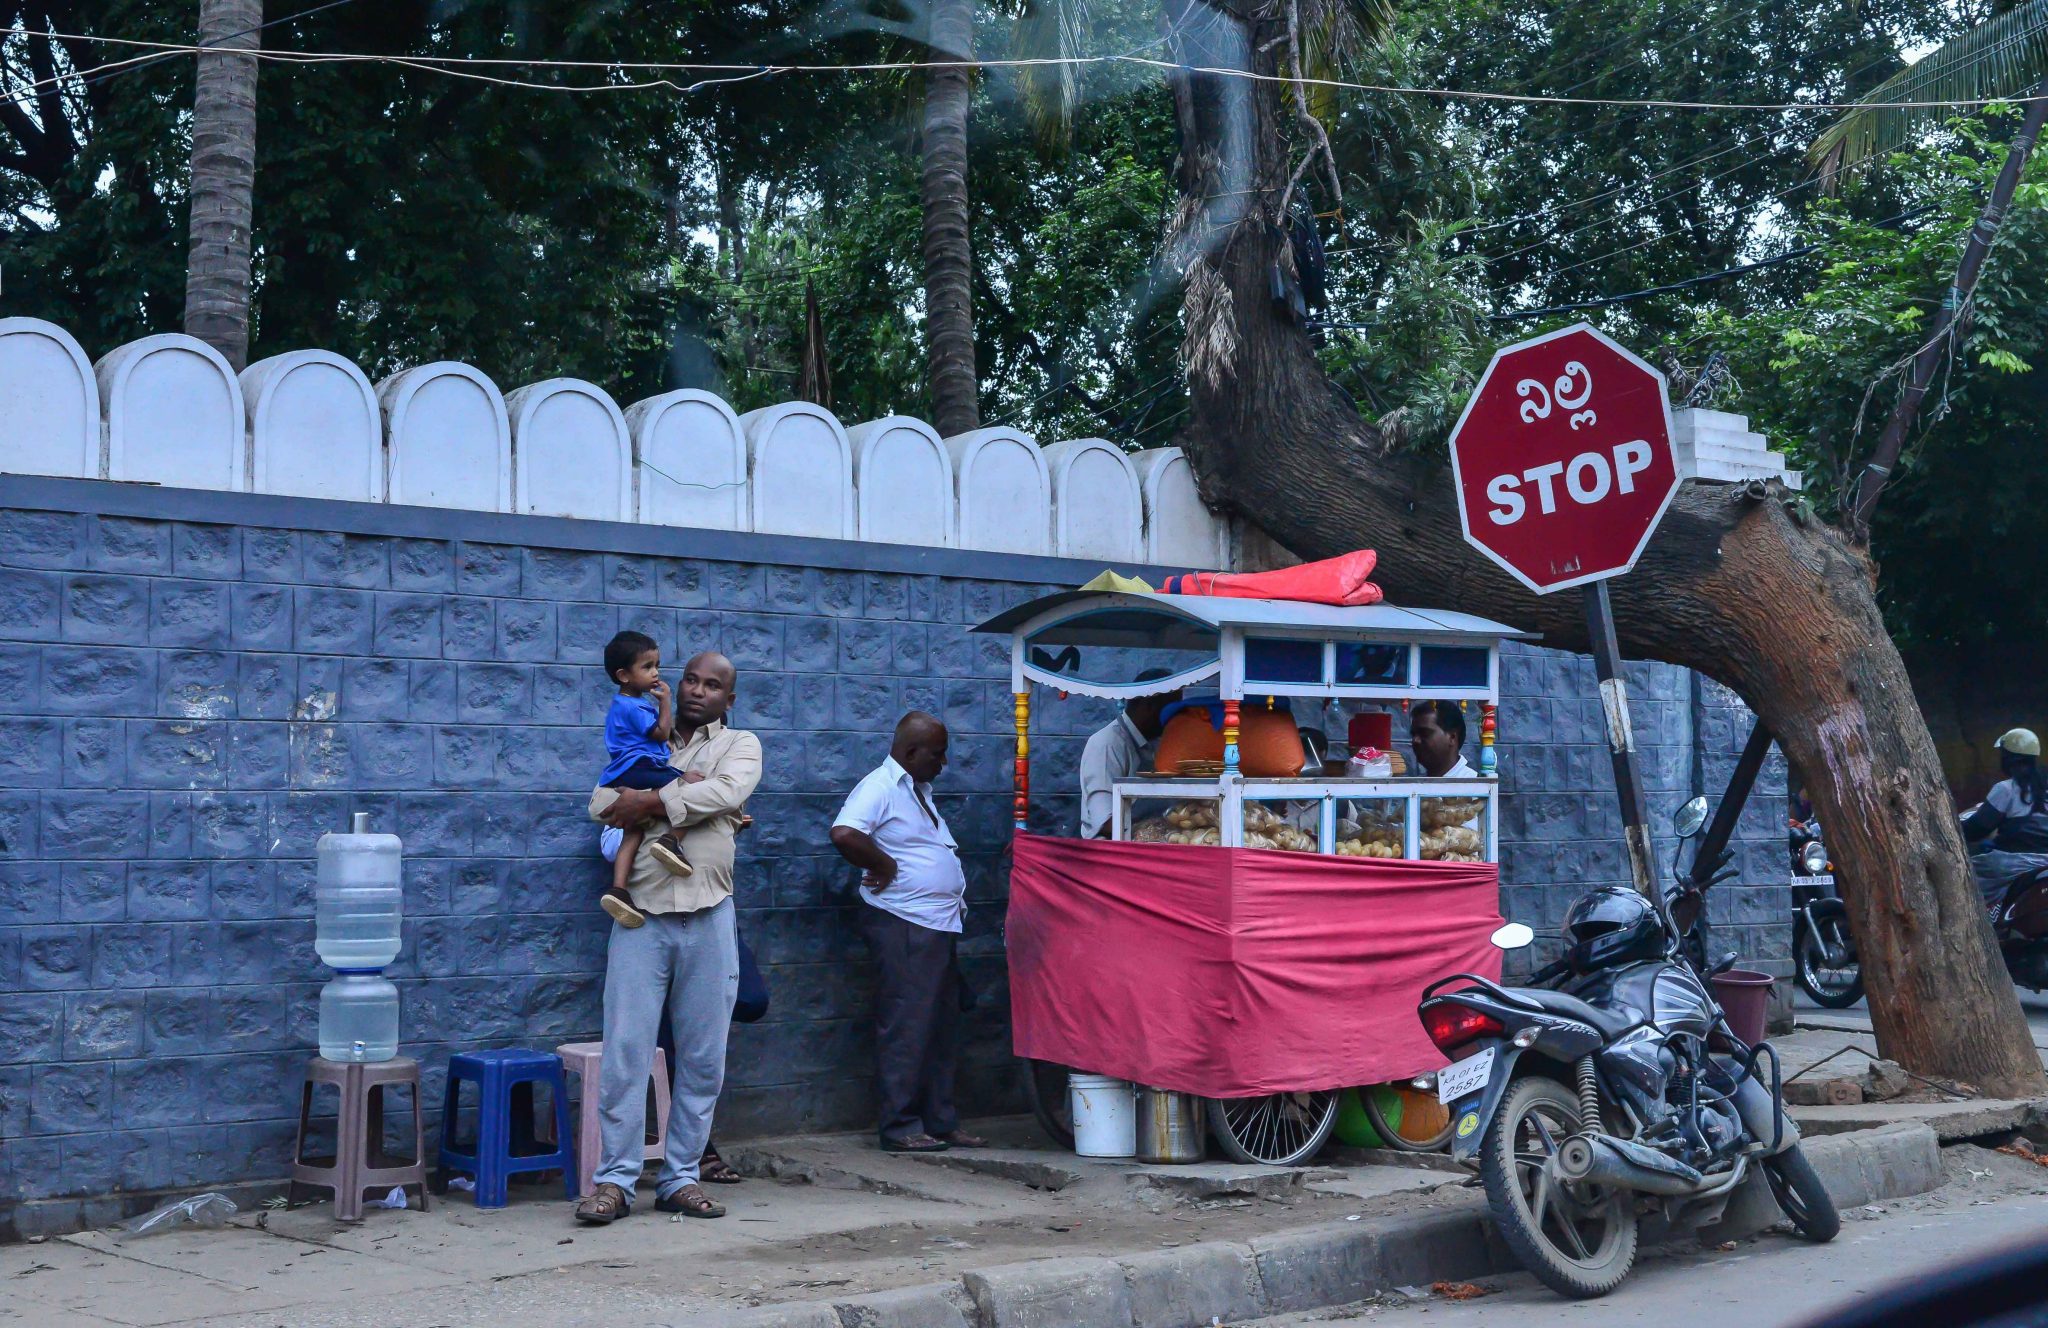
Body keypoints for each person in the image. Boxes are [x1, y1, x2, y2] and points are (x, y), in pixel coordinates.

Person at [575, 651, 761, 1226]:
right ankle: (615, 1181)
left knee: (703, 1059)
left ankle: (681, 1177)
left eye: (713, 685)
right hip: (641, 919)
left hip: (710, 916)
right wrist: (669, 800)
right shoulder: (643, 736)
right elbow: (601, 803)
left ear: (729, 699)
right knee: (626, 1054)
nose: (699, 691)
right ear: (676, 686)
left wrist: (649, 801)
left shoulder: (740, 744)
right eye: (692, 680)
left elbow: (725, 793)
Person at [830, 713, 987, 1153]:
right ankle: (900, 1125)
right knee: (907, 1023)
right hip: (904, 922)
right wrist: (883, 864)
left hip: (935, 922)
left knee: (940, 1024)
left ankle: (940, 1120)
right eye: (937, 754)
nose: (943, 762)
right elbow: (844, 833)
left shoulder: (916, 790)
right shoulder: (880, 786)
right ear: (911, 752)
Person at [595, 631, 693, 930]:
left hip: (625, 770)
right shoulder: (633, 706)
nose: (656, 673)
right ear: (624, 675)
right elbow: (661, 733)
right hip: (638, 766)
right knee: (689, 789)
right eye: (647, 667)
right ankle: (671, 841)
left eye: (657, 665)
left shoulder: (624, 704)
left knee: (634, 830)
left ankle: (619, 890)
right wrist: (665, 702)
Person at [1078, 670, 1184, 838]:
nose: (1175, 718)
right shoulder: (1106, 745)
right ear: (1149, 706)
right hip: (1114, 848)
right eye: (1172, 710)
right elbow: (1106, 821)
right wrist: (1153, 831)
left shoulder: (1155, 742)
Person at [1962, 728, 2048, 910]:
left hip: (2012, 863)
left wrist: (1956, 826)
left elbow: (1977, 830)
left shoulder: (2006, 789)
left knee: (1961, 874)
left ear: (2007, 759)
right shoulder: (2044, 789)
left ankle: (1981, 919)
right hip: (2045, 862)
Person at [1409, 699, 1474, 778]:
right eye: (1413, 735)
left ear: (1452, 737)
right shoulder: (1416, 783)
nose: (1415, 740)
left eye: (1424, 733)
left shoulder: (1476, 783)